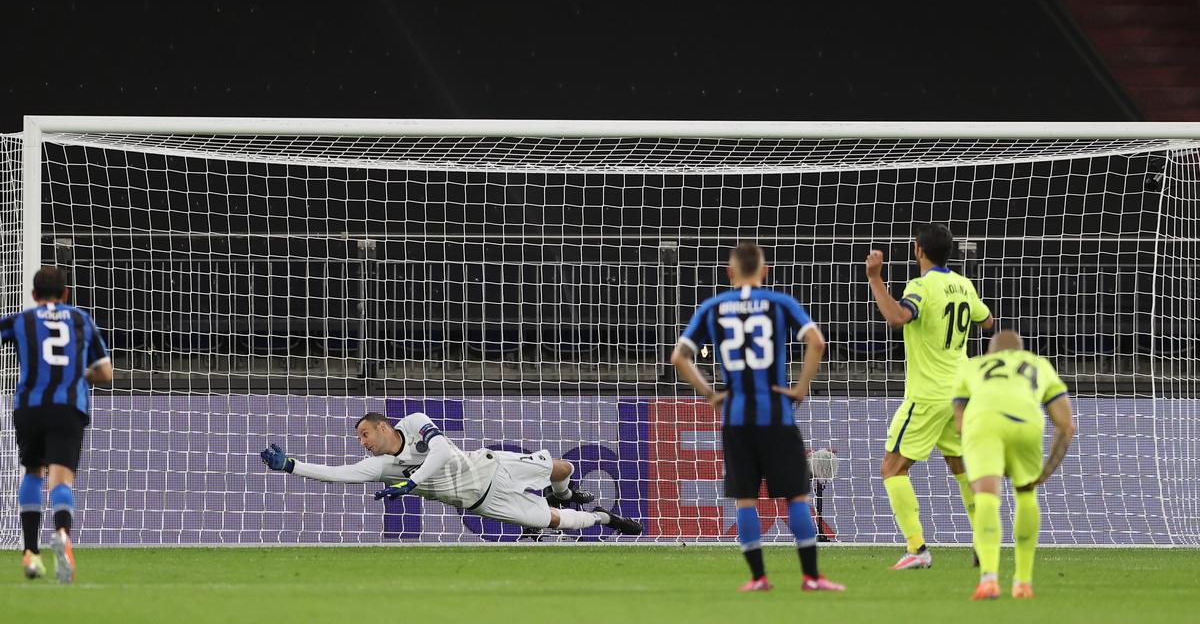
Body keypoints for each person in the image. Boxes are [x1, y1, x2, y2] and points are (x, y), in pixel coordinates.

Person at [671, 241, 844, 593]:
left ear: (730, 273)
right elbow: (817, 342)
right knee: (796, 496)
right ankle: (811, 577)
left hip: (736, 416)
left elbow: (680, 357)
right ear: (764, 272)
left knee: (746, 499)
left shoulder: (714, 306)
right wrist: (799, 388)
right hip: (776, 413)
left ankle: (757, 578)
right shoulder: (780, 303)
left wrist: (709, 394)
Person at [261, 411, 642, 536]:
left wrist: (411, 482)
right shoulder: (379, 467)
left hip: (493, 464)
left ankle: (563, 490)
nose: (363, 443)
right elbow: (338, 473)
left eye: (364, 434)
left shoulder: (413, 422)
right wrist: (292, 465)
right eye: (359, 438)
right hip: (485, 501)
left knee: (565, 467)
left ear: (381, 427)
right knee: (556, 522)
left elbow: (442, 451)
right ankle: (604, 517)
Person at [865, 223, 994, 570]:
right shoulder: (964, 285)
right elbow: (987, 320)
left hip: (929, 395)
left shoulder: (922, 287)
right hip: (962, 393)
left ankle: (917, 549)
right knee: (960, 465)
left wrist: (875, 278)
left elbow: (896, 317)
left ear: (918, 250)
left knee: (892, 468)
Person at [1, 266, 113, 583]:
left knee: (33, 471)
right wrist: (79, 375)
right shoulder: (81, 318)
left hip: (30, 407)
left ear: (34, 295)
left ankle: (31, 553)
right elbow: (105, 374)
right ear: (65, 294)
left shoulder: (20, 320)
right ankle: (62, 533)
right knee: (61, 479)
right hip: (68, 406)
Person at [953, 330, 1075, 600]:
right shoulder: (1039, 364)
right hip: (1027, 424)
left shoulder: (972, 366)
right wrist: (1046, 471)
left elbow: (959, 420)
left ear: (989, 353)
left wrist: (979, 453)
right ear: (1021, 352)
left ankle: (988, 579)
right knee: (1026, 493)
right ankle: (1023, 582)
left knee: (986, 496)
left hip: (983, 423)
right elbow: (1066, 425)